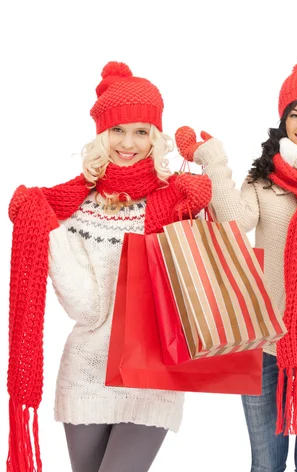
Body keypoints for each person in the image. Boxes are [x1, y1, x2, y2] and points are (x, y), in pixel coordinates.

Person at [7, 61, 212, 472]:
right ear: (102, 135)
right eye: (118, 130)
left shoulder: (181, 200)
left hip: (156, 375)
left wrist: (214, 171)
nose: (129, 143)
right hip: (86, 374)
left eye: (141, 131)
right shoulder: (73, 206)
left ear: (156, 137)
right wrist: (46, 227)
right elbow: (87, 308)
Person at [175, 59, 297, 472]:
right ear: (282, 120)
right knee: (265, 465)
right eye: (295, 114)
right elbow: (235, 225)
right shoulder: (265, 181)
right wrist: (215, 165)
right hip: (264, 345)